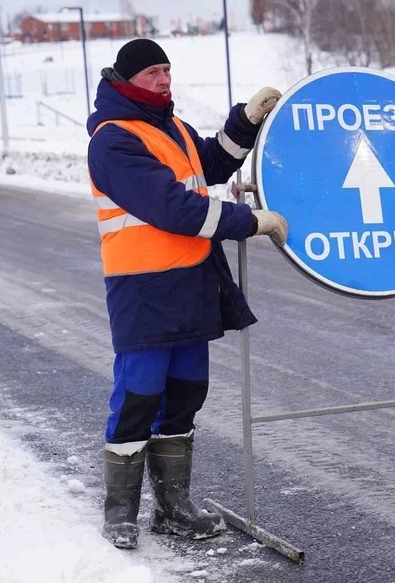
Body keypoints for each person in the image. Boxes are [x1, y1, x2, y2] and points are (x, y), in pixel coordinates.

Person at [86, 38, 288, 549]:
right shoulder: (112, 140)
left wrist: (245, 119)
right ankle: (121, 514)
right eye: (154, 72)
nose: (164, 79)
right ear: (127, 80)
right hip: (143, 290)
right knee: (138, 396)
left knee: (184, 397)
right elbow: (174, 207)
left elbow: (212, 164)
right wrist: (249, 221)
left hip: (190, 283)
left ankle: (173, 508)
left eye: (167, 70)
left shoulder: (170, 127)